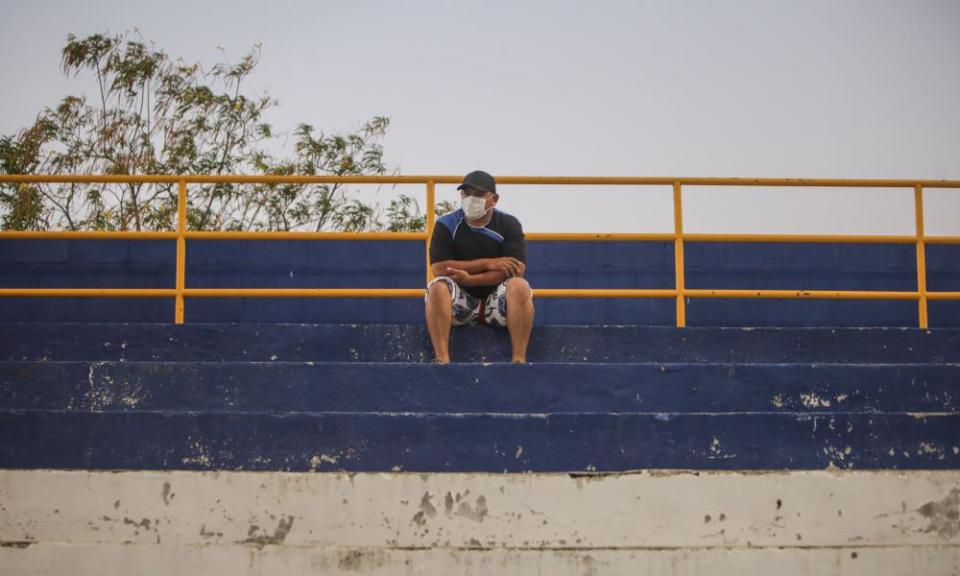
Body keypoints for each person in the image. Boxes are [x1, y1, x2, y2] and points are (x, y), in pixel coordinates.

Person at [425, 170, 534, 364]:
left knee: (519, 285)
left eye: (479, 194)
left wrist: (470, 278)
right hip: (459, 305)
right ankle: (442, 360)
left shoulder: (509, 224)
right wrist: (489, 263)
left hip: (498, 305)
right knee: (437, 287)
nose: (471, 199)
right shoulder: (446, 224)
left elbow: (516, 269)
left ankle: (519, 360)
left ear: (494, 199)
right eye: (466, 194)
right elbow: (440, 268)